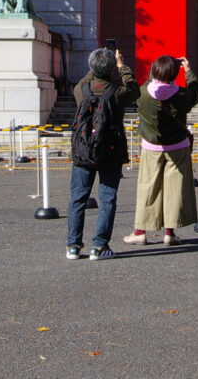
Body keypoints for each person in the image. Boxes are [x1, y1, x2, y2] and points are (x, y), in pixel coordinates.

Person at [65, 46, 134, 260]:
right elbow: (134, 88)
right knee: (108, 198)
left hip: (83, 150)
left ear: (91, 68)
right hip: (110, 150)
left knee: (78, 198)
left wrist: (96, 65)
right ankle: (100, 245)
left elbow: (84, 80)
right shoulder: (118, 92)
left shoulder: (81, 91)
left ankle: (73, 246)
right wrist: (122, 67)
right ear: (112, 69)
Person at [127, 54, 198, 246]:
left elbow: (143, 85)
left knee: (147, 187)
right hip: (177, 146)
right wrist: (188, 71)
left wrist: (154, 68)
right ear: (174, 74)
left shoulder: (143, 93)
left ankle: (140, 231)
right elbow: (195, 90)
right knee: (174, 189)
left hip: (151, 146)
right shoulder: (182, 96)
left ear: (154, 72)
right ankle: (170, 232)